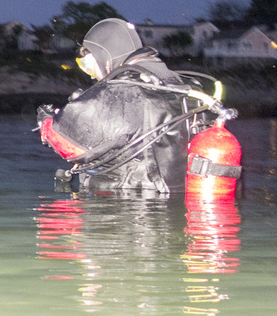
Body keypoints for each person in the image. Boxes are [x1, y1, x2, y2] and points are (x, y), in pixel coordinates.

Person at [36, 18, 230, 194]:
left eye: (87, 65)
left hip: (131, 206)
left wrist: (46, 121)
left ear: (105, 56)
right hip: (185, 204)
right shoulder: (190, 87)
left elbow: (69, 145)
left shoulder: (119, 92)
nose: (91, 74)